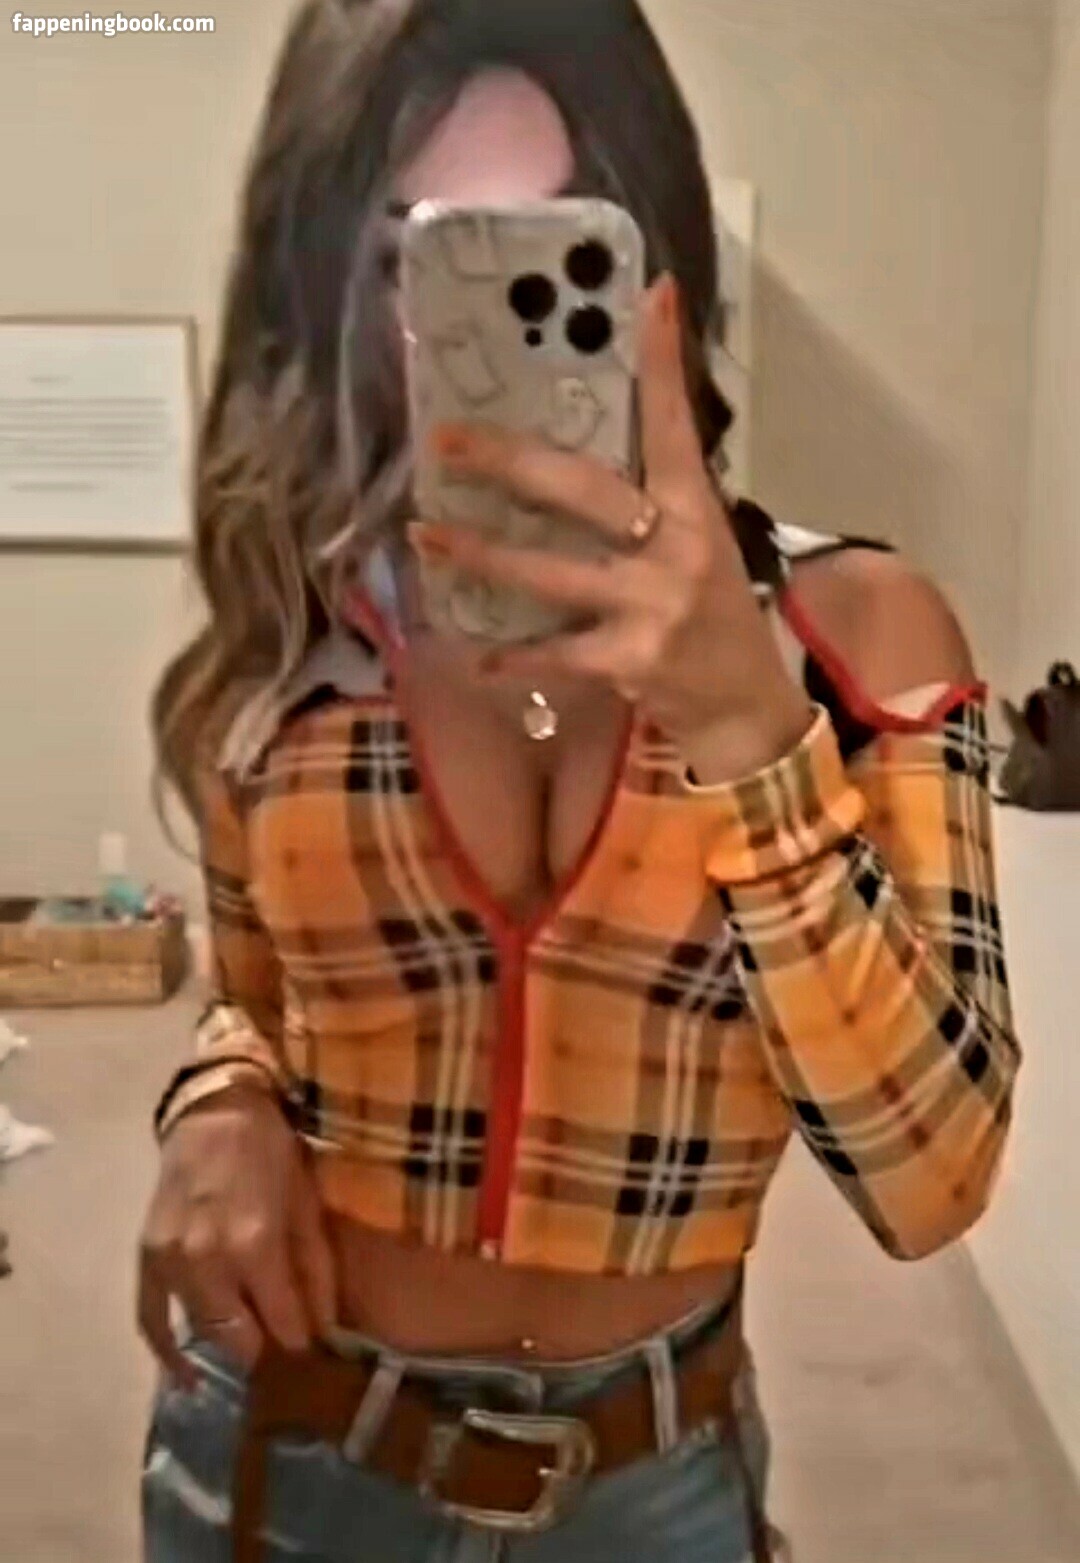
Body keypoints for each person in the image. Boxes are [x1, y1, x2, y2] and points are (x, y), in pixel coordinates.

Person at [138, 3, 1021, 1560]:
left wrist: (749, 731)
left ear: (653, 262)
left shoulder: (853, 637)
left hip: (651, 1481)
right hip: (292, 1444)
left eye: (556, 245)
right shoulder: (294, 624)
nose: (473, 329)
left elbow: (932, 1180)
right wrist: (218, 1099)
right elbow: (258, 1000)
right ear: (338, 288)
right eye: (417, 254)